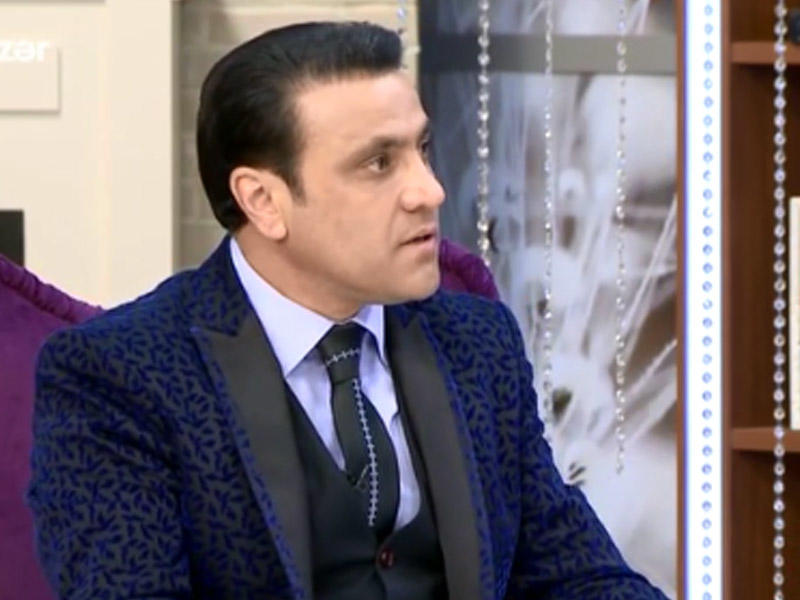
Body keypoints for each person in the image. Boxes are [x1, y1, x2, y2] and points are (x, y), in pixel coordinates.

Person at [28, 21, 667, 599]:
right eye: (378, 163)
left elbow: (574, 572)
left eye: (422, 150)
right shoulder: (120, 376)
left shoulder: (476, 341)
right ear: (262, 201)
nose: (429, 191)